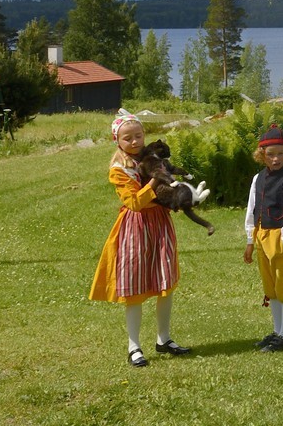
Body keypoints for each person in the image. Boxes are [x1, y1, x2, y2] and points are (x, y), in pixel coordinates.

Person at [89, 109, 208, 367]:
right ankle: (134, 346)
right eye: (128, 138)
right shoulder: (119, 169)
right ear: (117, 141)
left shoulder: (153, 157)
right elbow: (134, 202)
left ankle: (163, 339)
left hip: (160, 224)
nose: (135, 142)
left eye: (139, 136)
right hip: (136, 227)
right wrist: (155, 181)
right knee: (135, 288)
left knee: (165, 283)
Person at [245, 124, 283, 352]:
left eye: (280, 154)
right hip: (262, 236)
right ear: (262, 155)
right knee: (271, 287)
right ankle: (277, 331)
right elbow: (251, 209)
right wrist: (250, 240)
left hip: (280, 237)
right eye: (270, 154)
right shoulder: (257, 178)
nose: (276, 159)